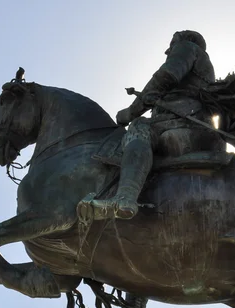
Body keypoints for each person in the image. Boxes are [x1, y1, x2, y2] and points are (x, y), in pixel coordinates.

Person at [86, 30, 217, 220]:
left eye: (171, 44)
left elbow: (165, 77)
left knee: (139, 127)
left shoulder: (188, 48)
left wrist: (131, 113)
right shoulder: (204, 63)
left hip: (182, 122)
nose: (167, 50)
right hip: (191, 123)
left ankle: (125, 198)